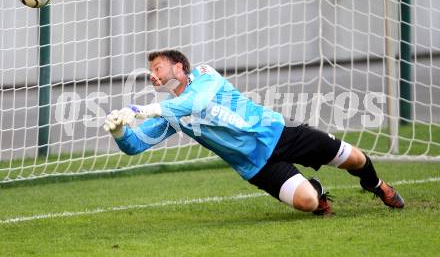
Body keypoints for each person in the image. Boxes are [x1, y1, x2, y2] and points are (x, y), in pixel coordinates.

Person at [104, 49, 404, 215]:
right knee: (309, 203)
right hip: (255, 165)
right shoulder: (172, 113)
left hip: (279, 133)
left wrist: (146, 110)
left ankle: (376, 184)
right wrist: (119, 131)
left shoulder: (205, 76)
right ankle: (315, 187)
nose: (152, 75)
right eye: (150, 72)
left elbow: (198, 102)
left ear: (180, 67)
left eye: (157, 67)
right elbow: (135, 144)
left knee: (355, 159)